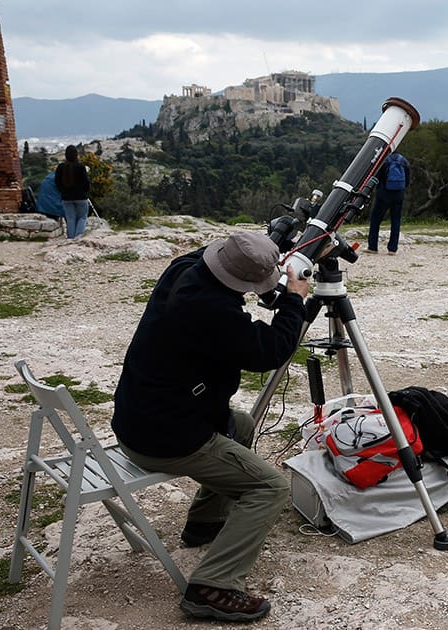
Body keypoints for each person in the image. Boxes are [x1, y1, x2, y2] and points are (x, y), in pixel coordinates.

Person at [111, 230, 310, 622]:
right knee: (271, 487)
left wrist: (269, 245)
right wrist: (294, 297)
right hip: (164, 437)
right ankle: (213, 586)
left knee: (243, 422)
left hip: (139, 416)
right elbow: (270, 349)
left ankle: (205, 523)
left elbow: (238, 253)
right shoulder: (209, 311)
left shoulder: (185, 268)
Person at [366, 150, 411, 254]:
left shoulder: (384, 161)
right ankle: (392, 249)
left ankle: (372, 247)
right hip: (398, 195)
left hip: (383, 194)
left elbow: (376, 178)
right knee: (395, 221)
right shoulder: (404, 161)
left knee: (375, 220)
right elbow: (407, 180)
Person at [54, 145, 91, 238]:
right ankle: (78, 237)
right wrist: (85, 192)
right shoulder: (81, 167)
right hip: (81, 197)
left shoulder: (61, 167)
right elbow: (86, 183)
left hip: (66, 197)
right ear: (76, 155)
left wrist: (62, 191)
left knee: (70, 219)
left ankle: (70, 238)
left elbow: (57, 182)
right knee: (82, 217)